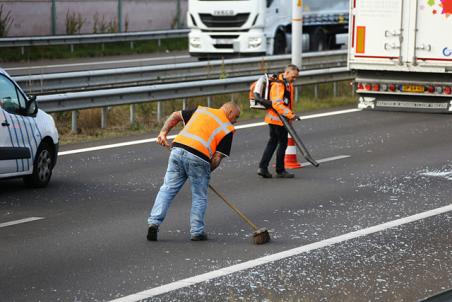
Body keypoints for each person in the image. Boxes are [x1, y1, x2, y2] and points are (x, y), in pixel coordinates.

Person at [147, 101, 241, 241]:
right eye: (236, 117)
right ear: (230, 112)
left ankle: (154, 223)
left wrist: (163, 133)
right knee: (199, 196)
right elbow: (216, 158)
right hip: (199, 158)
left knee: (167, 189)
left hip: (177, 150)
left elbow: (175, 115)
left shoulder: (202, 110)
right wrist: (206, 173)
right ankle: (197, 231)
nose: (235, 121)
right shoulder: (227, 129)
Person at [257, 64, 299, 179]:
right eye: (293, 76)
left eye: (296, 77)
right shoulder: (279, 84)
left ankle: (263, 167)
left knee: (273, 142)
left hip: (276, 119)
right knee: (282, 143)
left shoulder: (286, 84)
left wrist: (290, 116)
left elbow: (287, 103)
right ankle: (280, 170)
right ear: (287, 73)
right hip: (279, 120)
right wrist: (290, 115)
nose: (294, 79)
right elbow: (277, 104)